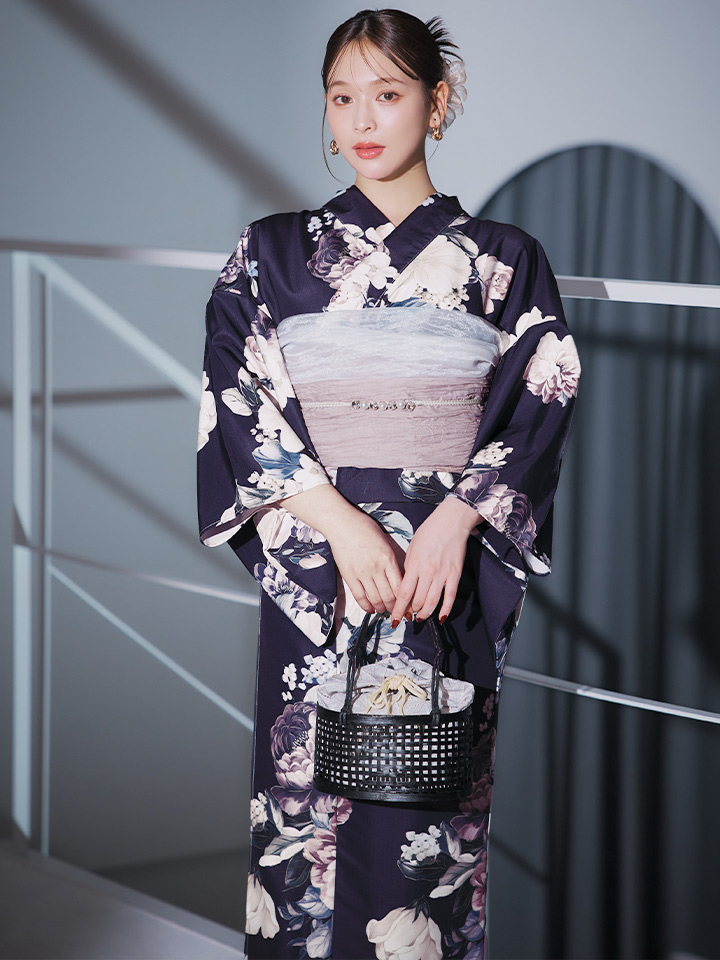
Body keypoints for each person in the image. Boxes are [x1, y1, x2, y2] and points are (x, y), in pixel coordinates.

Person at [197, 8, 580, 958]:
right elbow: (236, 397)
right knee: (300, 818)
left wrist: (454, 524)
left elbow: (542, 397)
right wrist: (339, 524)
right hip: (322, 562)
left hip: (441, 572)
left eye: (388, 93)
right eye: (342, 97)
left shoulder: (504, 257)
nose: (361, 119)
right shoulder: (270, 251)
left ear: (436, 103)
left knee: (425, 830)